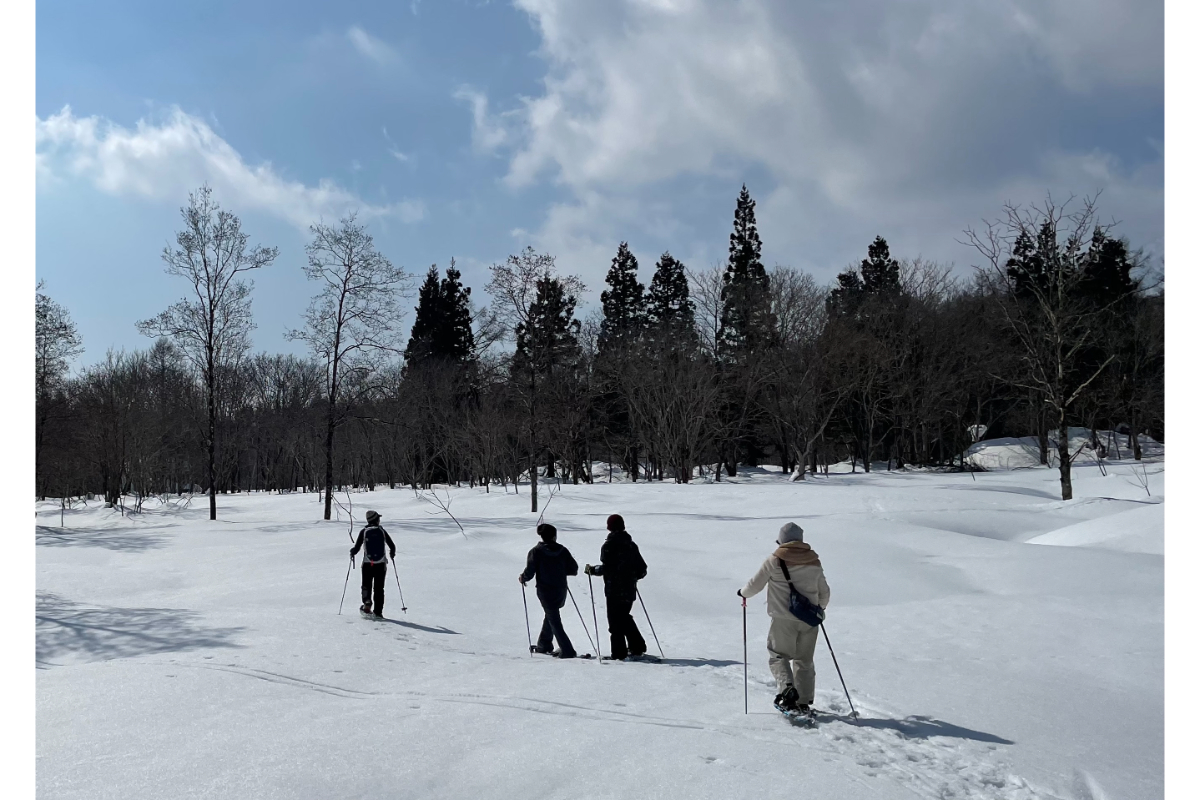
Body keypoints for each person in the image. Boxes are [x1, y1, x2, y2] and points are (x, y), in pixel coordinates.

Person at [738, 522, 830, 714]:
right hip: (810, 619)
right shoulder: (814, 561)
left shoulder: (775, 559)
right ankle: (803, 701)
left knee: (778, 655)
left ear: (782, 540)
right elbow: (825, 592)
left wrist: (743, 593)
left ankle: (787, 690)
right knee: (804, 660)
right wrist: (819, 609)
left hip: (782, 619)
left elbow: (755, 585)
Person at [584, 514, 648, 661]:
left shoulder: (609, 545)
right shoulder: (631, 545)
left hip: (614, 590)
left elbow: (608, 568)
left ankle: (619, 654)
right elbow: (642, 569)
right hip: (629, 590)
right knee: (624, 617)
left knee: (615, 622)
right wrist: (632, 578)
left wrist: (593, 570)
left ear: (609, 527)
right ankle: (637, 647)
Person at [519, 523, 578, 659]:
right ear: (554, 536)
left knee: (554, 618)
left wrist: (523, 578)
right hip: (560, 590)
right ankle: (544, 645)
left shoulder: (536, 551)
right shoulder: (562, 550)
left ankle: (567, 649)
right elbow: (573, 569)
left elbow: (530, 571)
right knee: (551, 615)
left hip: (545, 590)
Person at [350, 510, 397, 618]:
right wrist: (392, 553)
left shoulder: (364, 531)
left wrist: (352, 552)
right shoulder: (382, 531)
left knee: (366, 585)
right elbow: (392, 545)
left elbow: (356, 548)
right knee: (379, 588)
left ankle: (367, 601)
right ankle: (378, 612)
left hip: (367, 563)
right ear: (376, 520)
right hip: (381, 564)